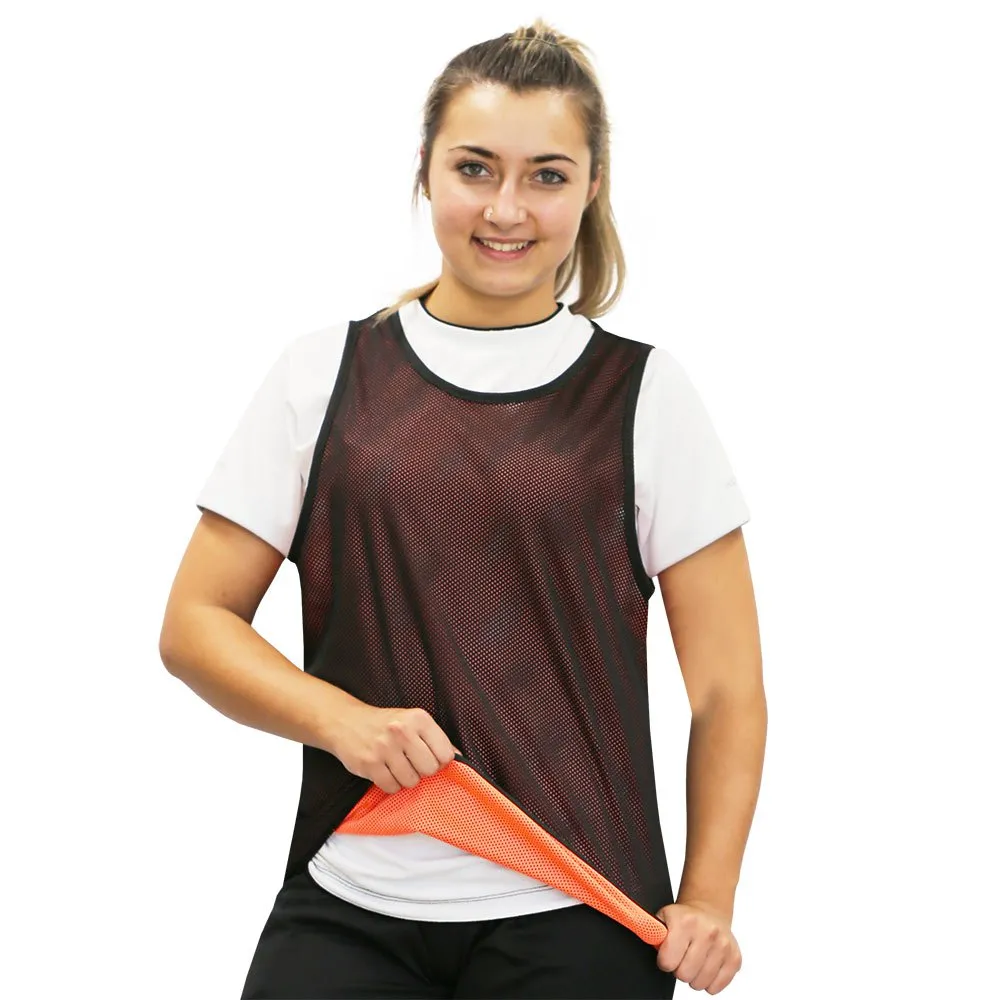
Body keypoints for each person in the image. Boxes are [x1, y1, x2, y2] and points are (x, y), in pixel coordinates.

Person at [159, 18, 766, 999]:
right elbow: (194, 623)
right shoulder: (322, 376)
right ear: (426, 170)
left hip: (580, 904)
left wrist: (709, 896)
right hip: (348, 896)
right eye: (475, 168)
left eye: (546, 175)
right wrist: (342, 721)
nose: (506, 208)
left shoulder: (646, 396)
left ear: (593, 186)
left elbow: (727, 689)